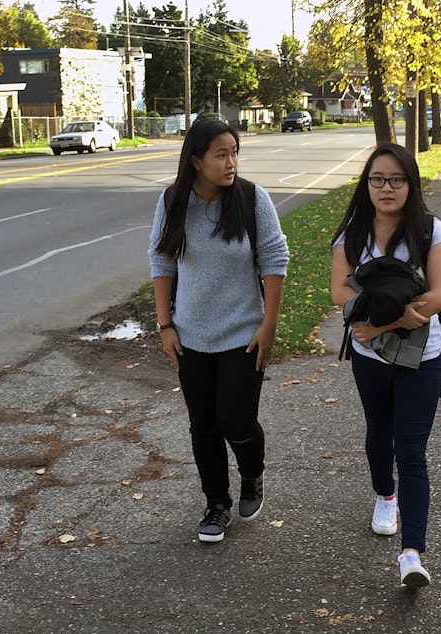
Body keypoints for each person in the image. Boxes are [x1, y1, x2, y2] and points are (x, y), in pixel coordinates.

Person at [148, 118, 289, 543]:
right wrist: (165, 324)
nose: (231, 162)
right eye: (221, 154)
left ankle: (252, 472)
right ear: (196, 160)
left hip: (243, 333)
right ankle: (216, 504)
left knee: (236, 419)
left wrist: (269, 325)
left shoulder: (250, 199)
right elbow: (162, 263)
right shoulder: (173, 201)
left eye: (234, 152)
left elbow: (275, 260)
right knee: (203, 425)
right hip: (190, 335)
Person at [330, 142, 441, 588]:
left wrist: (388, 323)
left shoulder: (430, 231)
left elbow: (440, 294)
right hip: (369, 359)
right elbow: (339, 294)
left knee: (412, 451)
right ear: (366, 185)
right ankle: (386, 496)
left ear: (410, 185)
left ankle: (411, 554)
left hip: (422, 354)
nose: (386, 188)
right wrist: (374, 327)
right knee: (379, 435)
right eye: (378, 179)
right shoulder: (352, 235)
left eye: (396, 180)